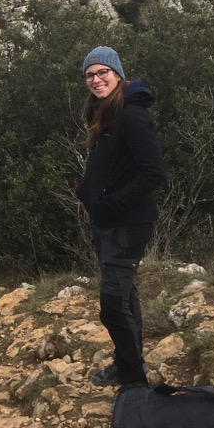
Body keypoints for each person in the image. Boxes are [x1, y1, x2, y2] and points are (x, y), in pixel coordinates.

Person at [76, 47, 166, 388]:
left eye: (102, 73)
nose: (96, 80)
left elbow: (154, 172)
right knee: (125, 297)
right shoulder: (104, 111)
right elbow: (105, 164)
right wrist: (85, 192)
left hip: (127, 223)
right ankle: (130, 363)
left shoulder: (131, 114)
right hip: (107, 222)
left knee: (113, 304)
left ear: (117, 74)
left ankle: (133, 379)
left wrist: (111, 205)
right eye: (90, 75)